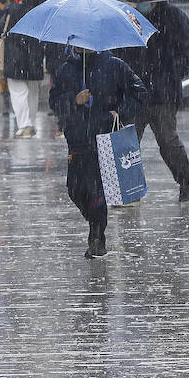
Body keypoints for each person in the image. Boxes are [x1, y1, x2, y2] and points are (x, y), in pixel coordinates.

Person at [49, 47, 148, 258]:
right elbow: (54, 101)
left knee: (96, 190)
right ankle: (95, 220)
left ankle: (96, 236)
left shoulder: (114, 65)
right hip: (76, 139)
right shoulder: (67, 69)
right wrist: (74, 100)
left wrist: (119, 112)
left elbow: (139, 92)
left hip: (103, 137)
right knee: (75, 189)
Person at [126, 0, 189, 203]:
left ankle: (186, 179)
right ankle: (128, 190)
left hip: (163, 93)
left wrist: (167, 73)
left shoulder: (174, 17)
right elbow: (120, 52)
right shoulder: (128, 17)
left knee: (167, 140)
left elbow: (188, 53)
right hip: (134, 92)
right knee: (128, 145)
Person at [0, 0, 48, 137]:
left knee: (18, 92)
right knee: (33, 93)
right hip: (34, 59)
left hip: (14, 59)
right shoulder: (40, 14)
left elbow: (0, 31)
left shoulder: (12, 10)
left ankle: (24, 124)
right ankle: (31, 123)